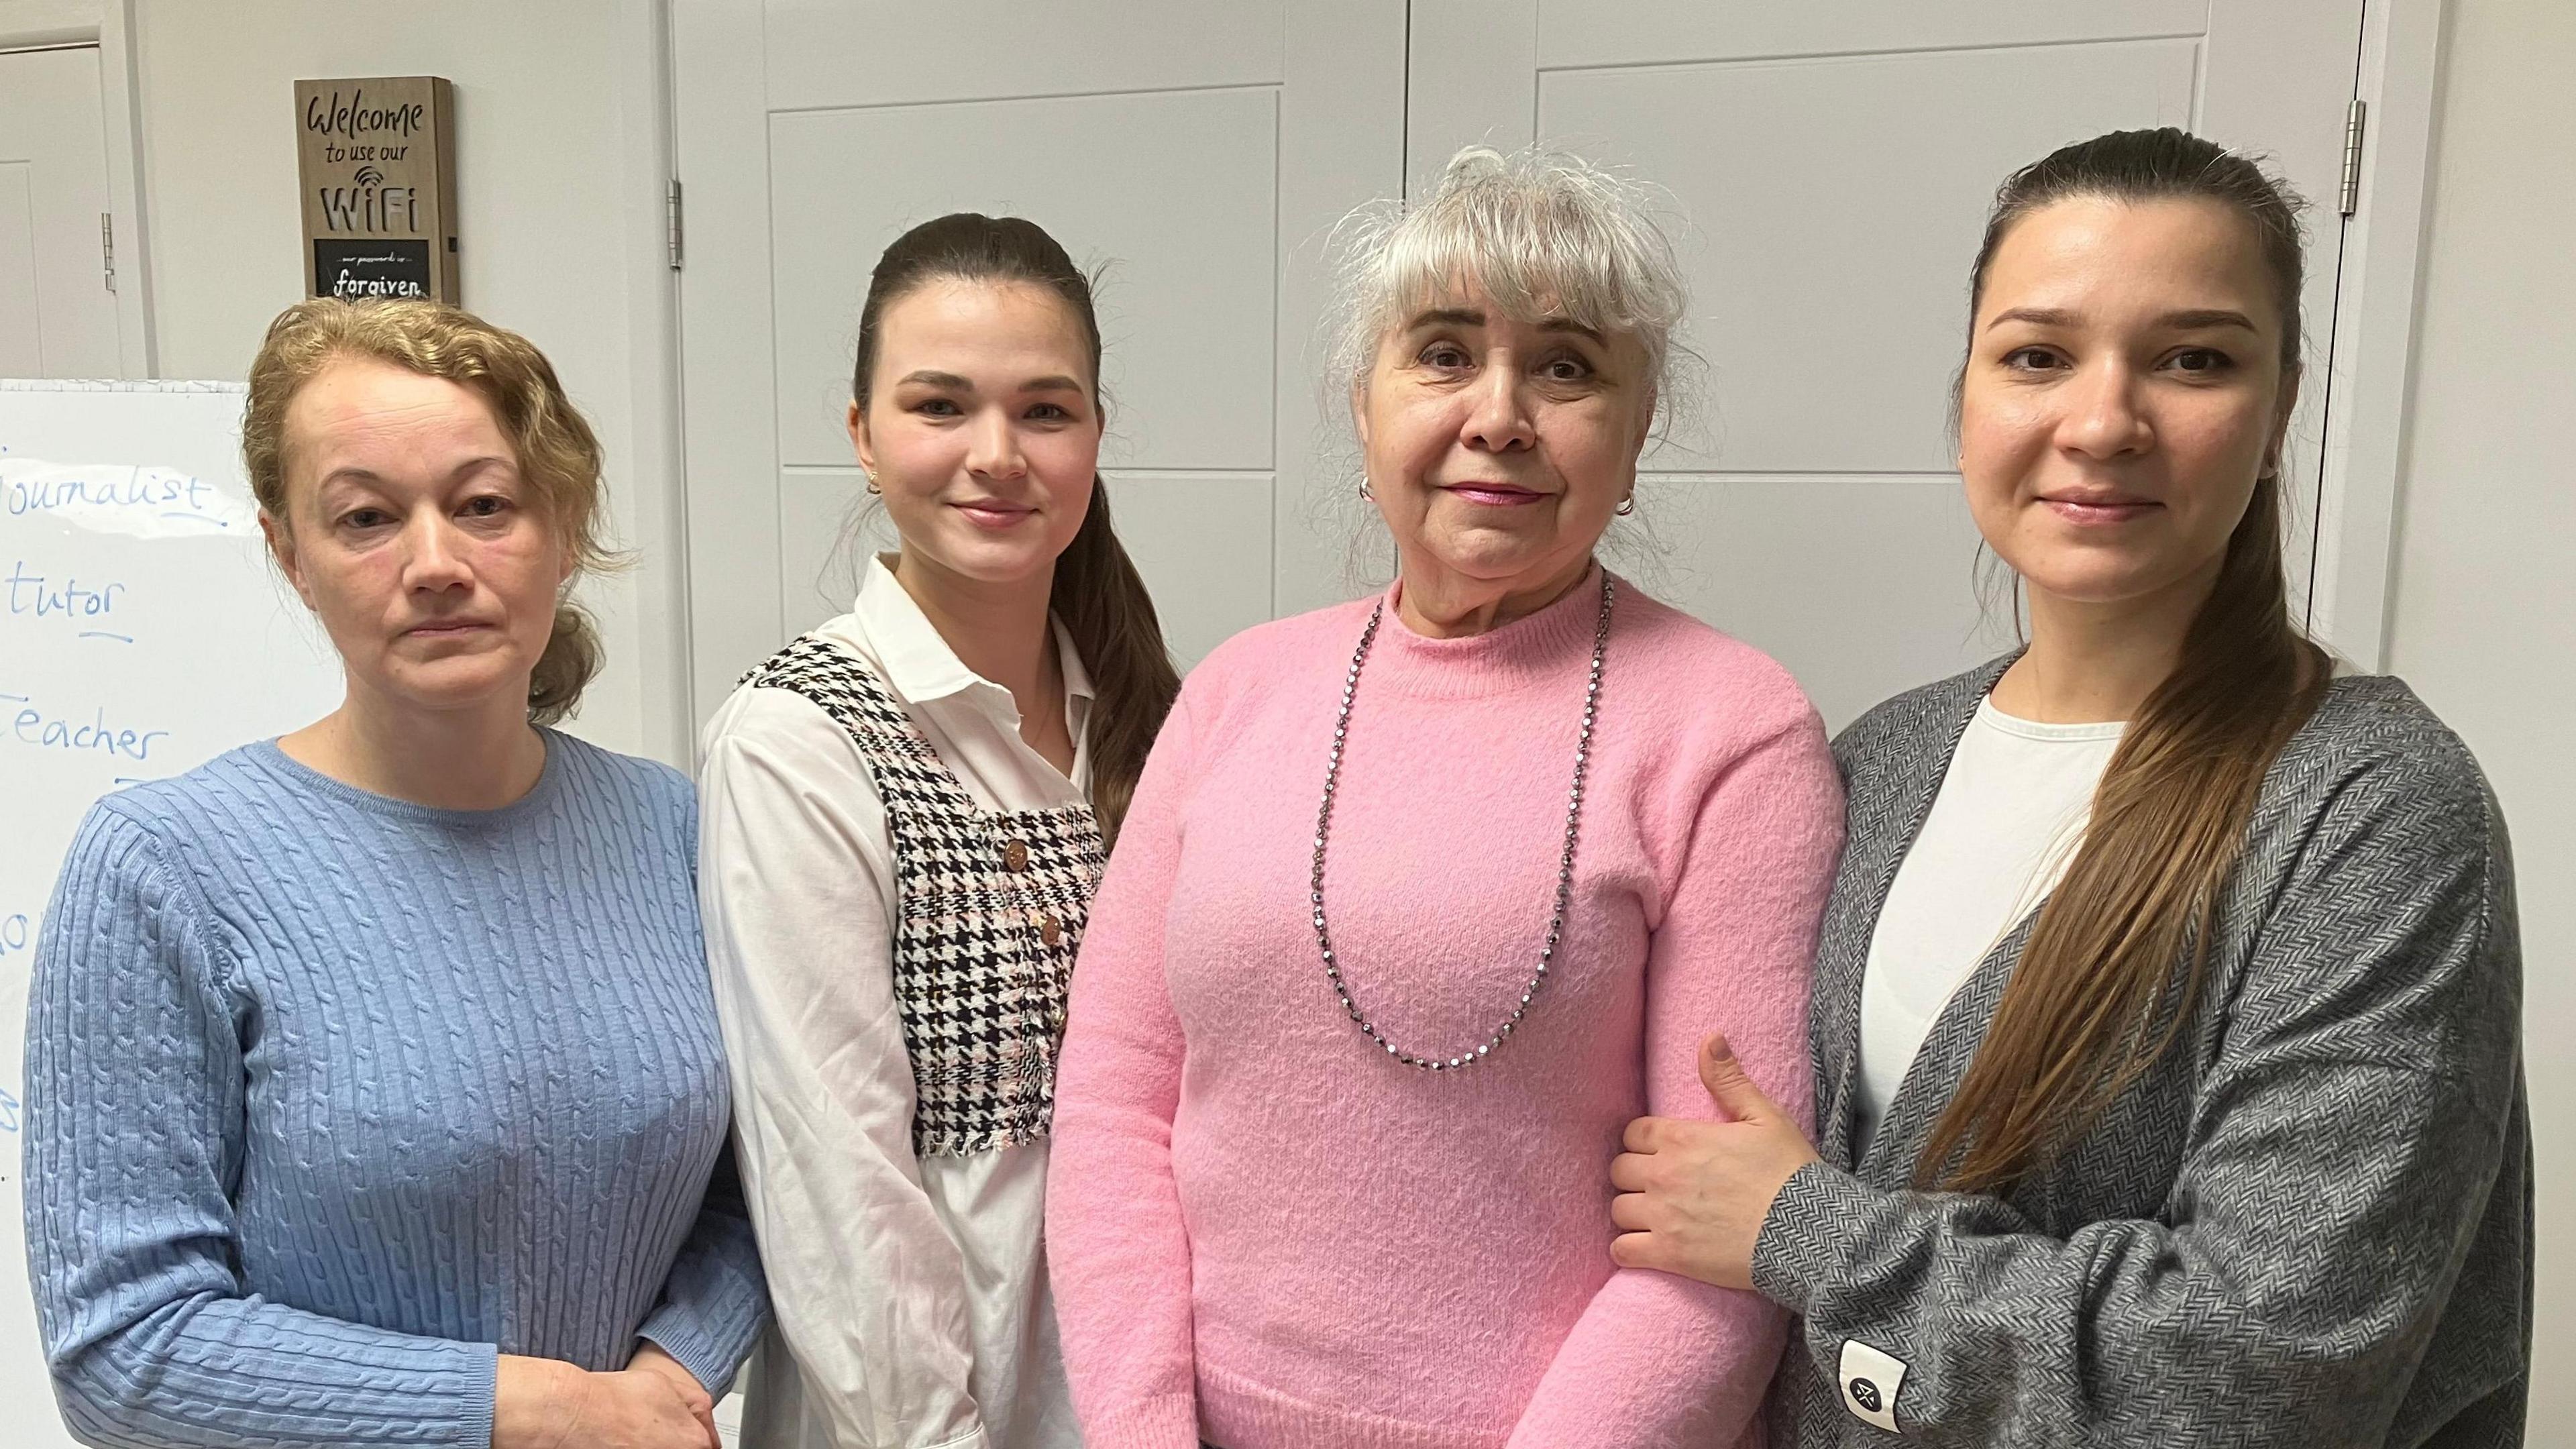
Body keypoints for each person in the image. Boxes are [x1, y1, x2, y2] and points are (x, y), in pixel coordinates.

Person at [1606, 127, 2531, 1446]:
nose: (2101, 422)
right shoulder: (1880, 758)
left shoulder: (2369, 809)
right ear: (1967, 394)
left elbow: (2261, 1376)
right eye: (2039, 355)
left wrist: (1804, 1231)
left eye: (2194, 359)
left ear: (2281, 410)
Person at [1043, 146, 1845, 1449]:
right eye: (1443, 352)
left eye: (1568, 366)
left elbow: (1722, 1237)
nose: (1501, 413)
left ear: (1635, 433)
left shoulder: (1730, 731)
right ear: (1363, 408)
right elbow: (1114, 1103)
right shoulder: (1241, 691)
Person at [23, 297, 768, 1449]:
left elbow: (759, 1186)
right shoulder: (164, 869)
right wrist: (538, 1410)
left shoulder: (675, 828)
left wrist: (672, 1374)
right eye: (366, 518)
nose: (434, 564)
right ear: (291, 556)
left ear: (563, 530)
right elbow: (124, 1348)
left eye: (484, 507)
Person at [699, 213, 1179, 1449]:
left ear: (1095, 437)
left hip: (1145, 1386)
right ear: (861, 436)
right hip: (937, 1413)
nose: (996, 454)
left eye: (1045, 411)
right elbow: (834, 1182)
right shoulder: (799, 738)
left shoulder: (1149, 713)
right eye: (940, 405)